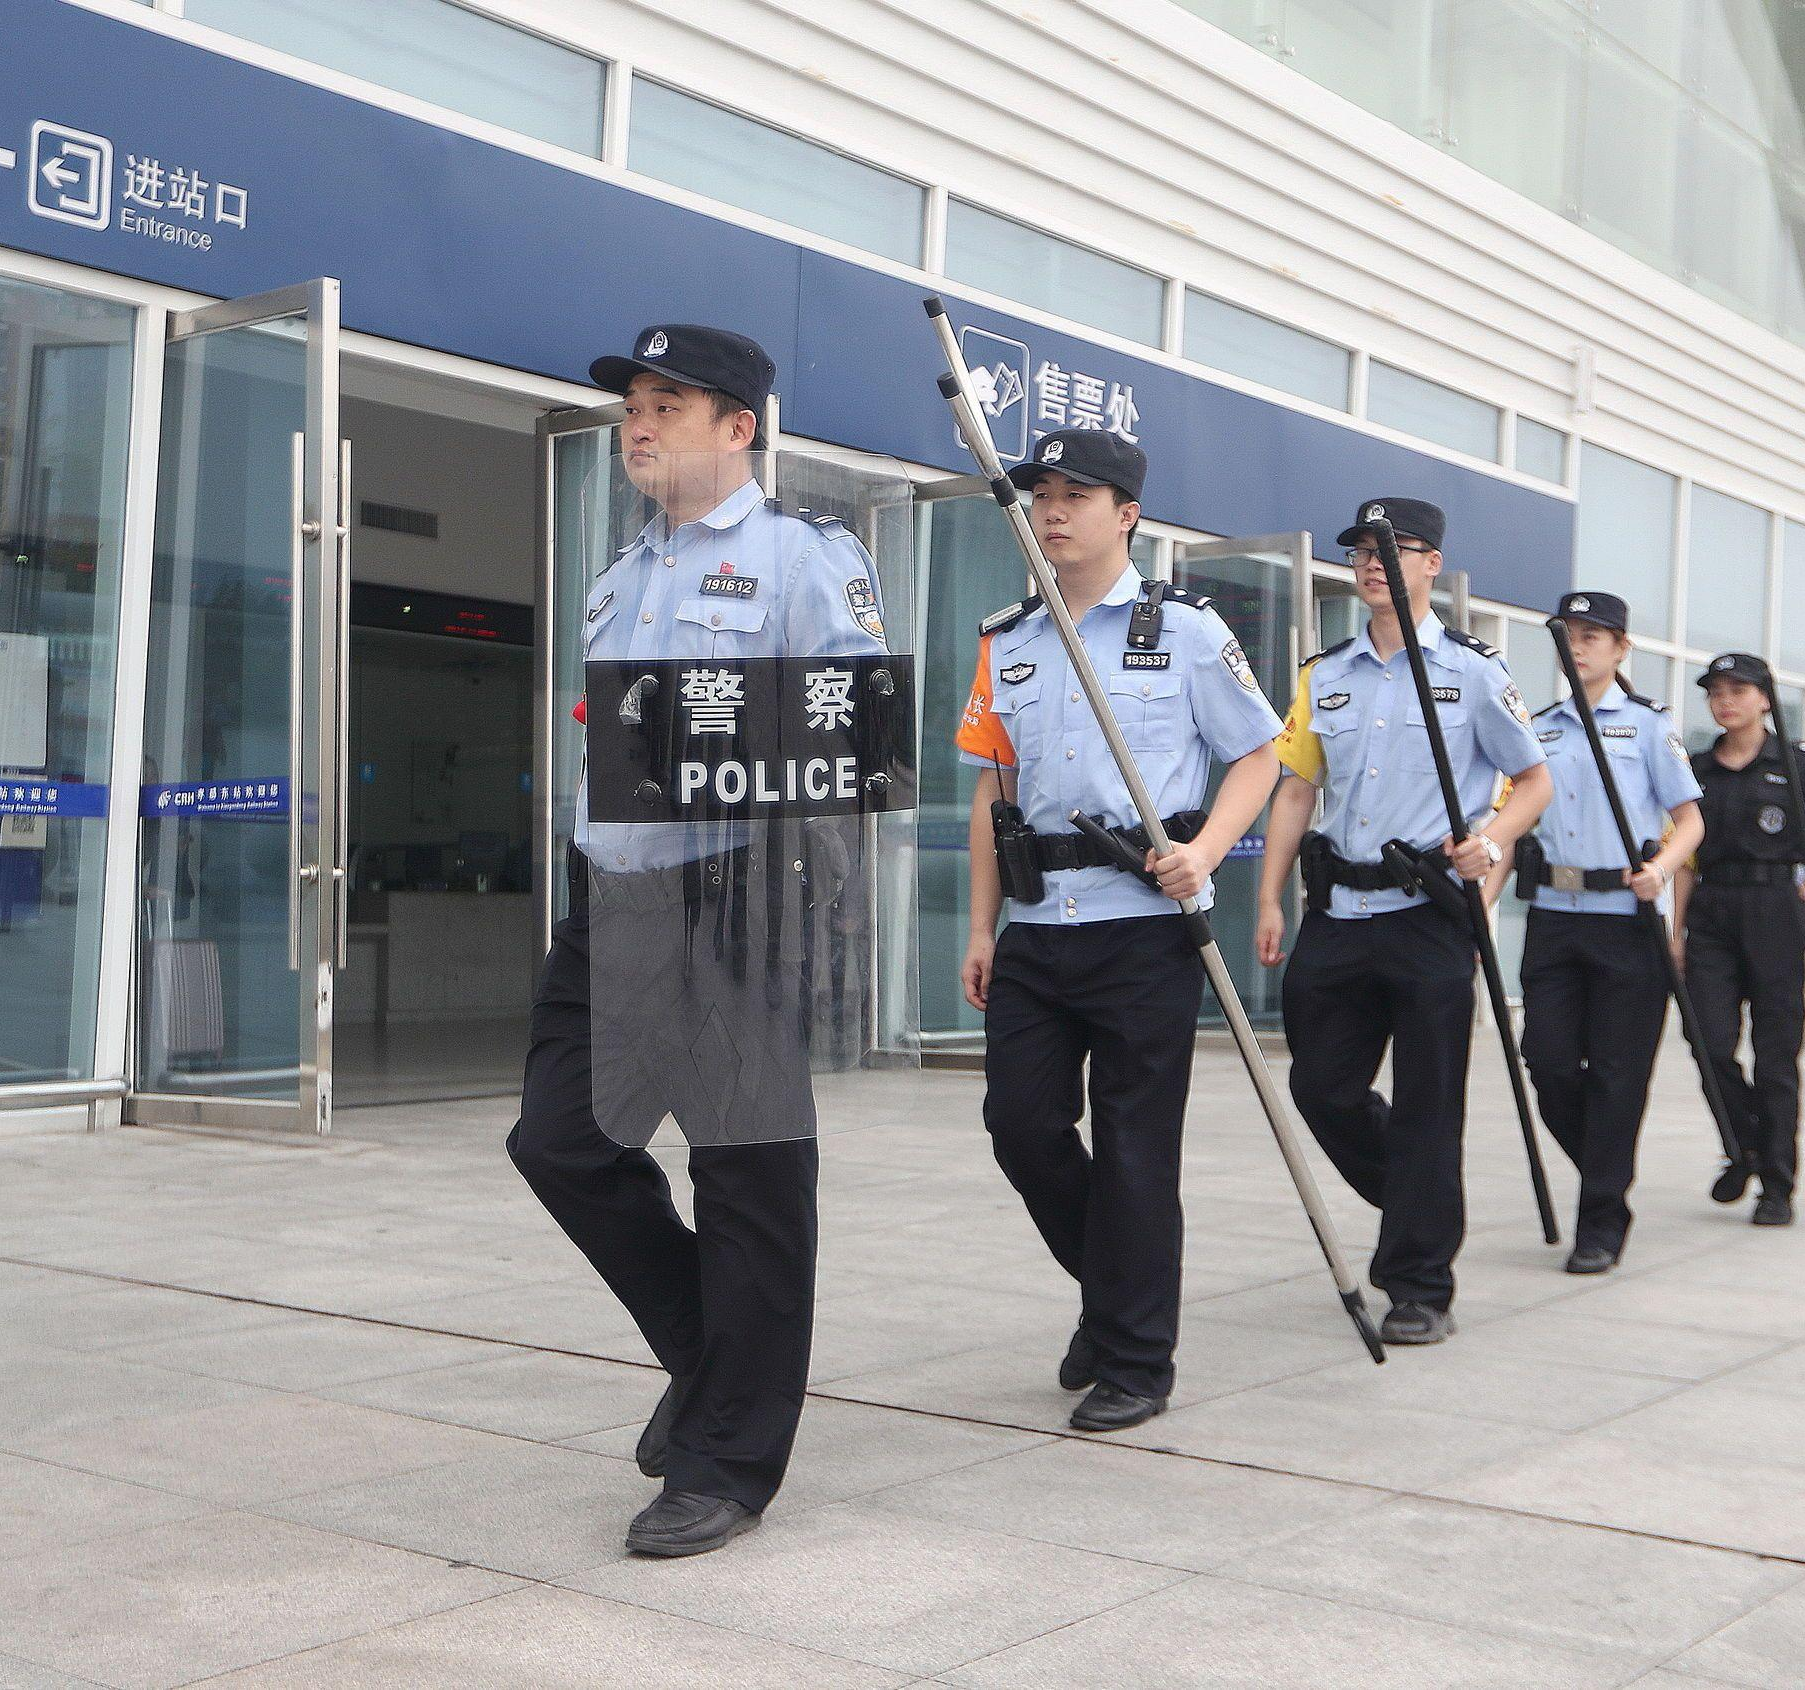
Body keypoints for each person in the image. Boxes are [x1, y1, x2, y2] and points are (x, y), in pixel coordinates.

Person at [507, 322, 887, 1558]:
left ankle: (727, 1460)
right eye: (633, 404)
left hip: (739, 891)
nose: (641, 423)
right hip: (612, 896)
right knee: (558, 1140)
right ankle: (714, 1357)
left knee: (747, 1181)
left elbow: (864, 740)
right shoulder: (620, 575)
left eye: (672, 404)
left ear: (742, 428)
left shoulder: (803, 560)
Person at [954, 427, 1282, 1432]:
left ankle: (1136, 1357)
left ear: (1127, 513)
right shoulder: (1008, 636)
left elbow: (1259, 754)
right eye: (1041, 493)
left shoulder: (1182, 630)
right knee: (1020, 1126)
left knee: (1138, 1149)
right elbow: (993, 788)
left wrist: (1212, 850)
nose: (1052, 510)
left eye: (1076, 494)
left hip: (1143, 927)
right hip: (1039, 928)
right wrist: (980, 925)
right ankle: (1111, 1292)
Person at [1254, 497, 1550, 1344]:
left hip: (1426, 917)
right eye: (1361, 550)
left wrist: (1487, 844)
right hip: (1338, 915)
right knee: (1320, 1087)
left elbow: (1532, 782)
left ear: (1431, 565)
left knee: (1428, 1107)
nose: (1374, 562)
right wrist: (1271, 896)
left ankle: (1420, 1284)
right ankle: (1417, 1201)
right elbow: (1297, 788)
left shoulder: (1475, 672)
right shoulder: (1326, 673)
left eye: (1397, 548)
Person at [1513, 591, 1704, 1273]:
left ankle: (1600, 1217)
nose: (1581, 645)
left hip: (1625, 922)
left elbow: (1689, 822)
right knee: (1547, 1060)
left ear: (1621, 648)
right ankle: (1606, 1169)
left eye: (1595, 635)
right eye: (1569, 634)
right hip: (1552, 920)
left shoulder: (1649, 727)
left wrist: (1661, 869)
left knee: (1619, 1077)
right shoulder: (1536, 728)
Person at [1669, 651, 1805, 1227]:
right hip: (1713, 910)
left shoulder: (1796, 765)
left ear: (1765, 699)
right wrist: (1675, 929)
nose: (1726, 701)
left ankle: (1776, 1182)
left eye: (1738, 691)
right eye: (1716, 692)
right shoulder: (1695, 769)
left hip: (1775, 908)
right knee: (1709, 1041)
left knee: (1775, 1056)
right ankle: (1744, 1143)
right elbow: (1685, 861)